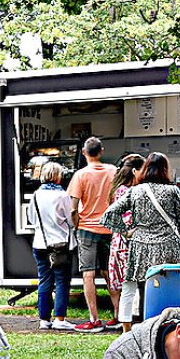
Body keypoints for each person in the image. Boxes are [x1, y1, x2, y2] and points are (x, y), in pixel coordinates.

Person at [103, 153, 180, 303]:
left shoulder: (135, 191)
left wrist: (126, 231)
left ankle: (147, 320)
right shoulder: (173, 191)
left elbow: (109, 214)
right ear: (165, 170)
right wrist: (177, 231)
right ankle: (169, 320)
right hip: (169, 246)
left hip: (141, 247)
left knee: (145, 286)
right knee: (171, 286)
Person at [67, 137, 118, 331]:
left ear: (84, 153)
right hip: (109, 228)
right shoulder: (113, 171)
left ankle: (94, 319)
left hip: (87, 229)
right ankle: (117, 315)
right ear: (102, 151)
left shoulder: (80, 175)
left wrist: (77, 224)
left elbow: (73, 209)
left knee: (88, 274)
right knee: (110, 272)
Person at [26, 162, 77, 331]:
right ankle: (60, 318)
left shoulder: (35, 195)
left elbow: (32, 219)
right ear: (58, 176)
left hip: (40, 243)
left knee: (44, 279)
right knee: (62, 281)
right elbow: (71, 221)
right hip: (60, 243)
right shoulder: (63, 196)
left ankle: (44, 319)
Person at [103, 154, 146, 331]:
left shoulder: (118, 189)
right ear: (135, 171)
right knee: (133, 288)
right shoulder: (127, 191)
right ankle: (129, 327)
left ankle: (127, 328)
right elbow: (127, 221)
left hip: (120, 246)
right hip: (128, 247)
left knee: (128, 289)